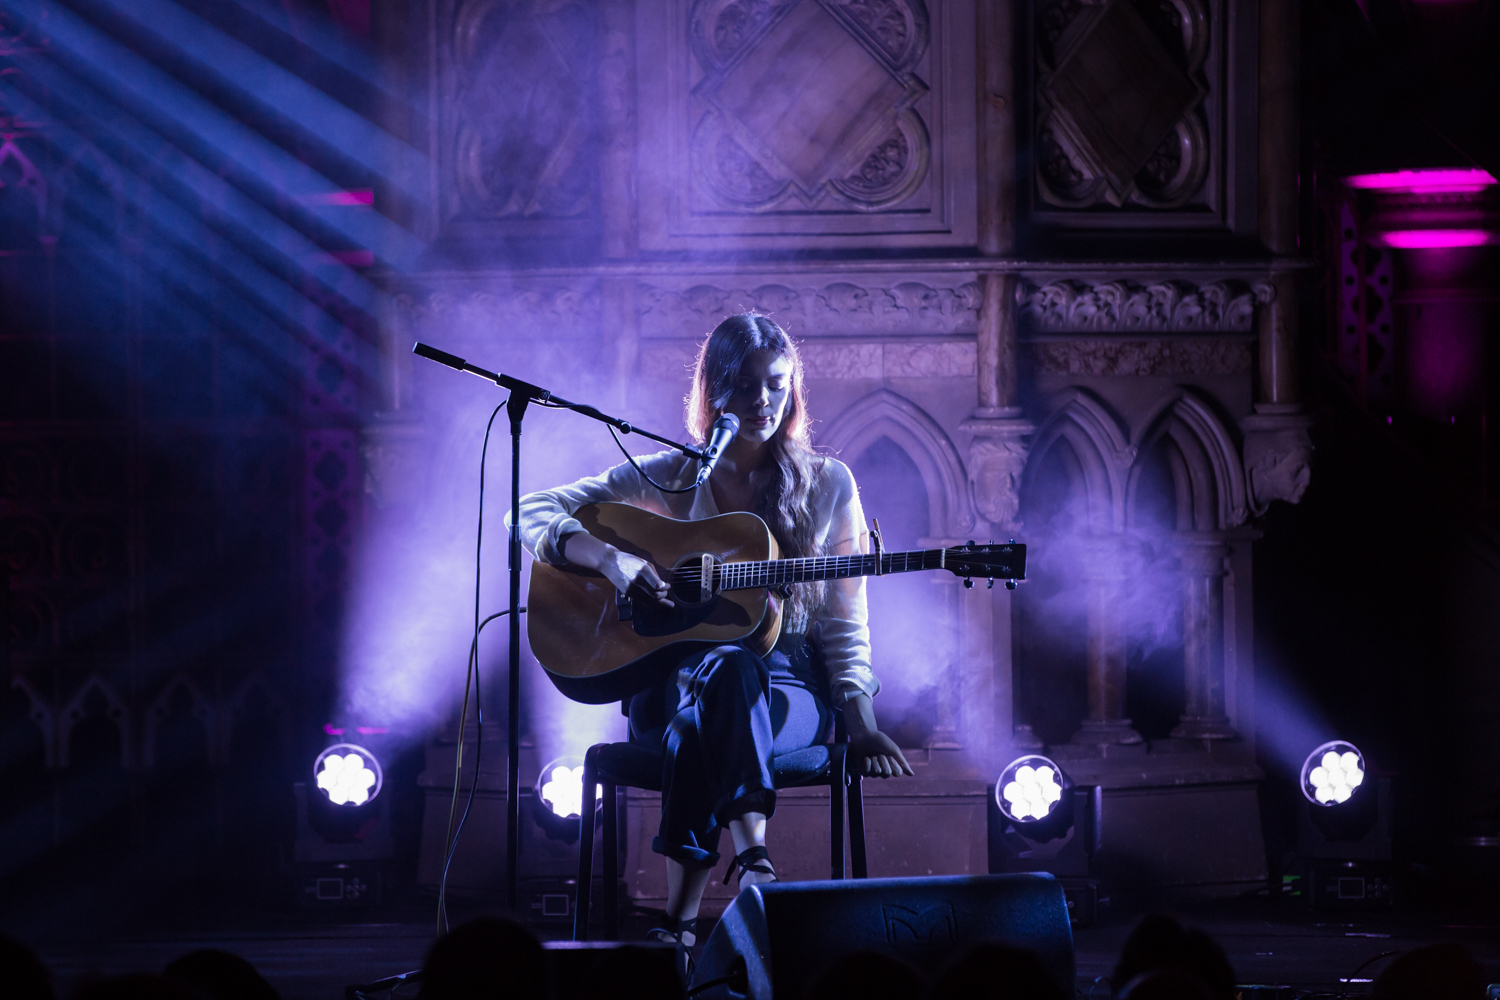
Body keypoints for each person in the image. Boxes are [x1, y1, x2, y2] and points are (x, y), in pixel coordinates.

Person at [518, 313, 912, 952]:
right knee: (706, 691)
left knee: (718, 688)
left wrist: (861, 722)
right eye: (746, 385)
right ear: (713, 392)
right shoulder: (669, 478)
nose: (763, 401)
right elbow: (525, 510)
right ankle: (752, 856)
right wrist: (611, 560)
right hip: (664, 682)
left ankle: (680, 920)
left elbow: (846, 623)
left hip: (786, 696)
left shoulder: (826, 484)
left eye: (777, 385)